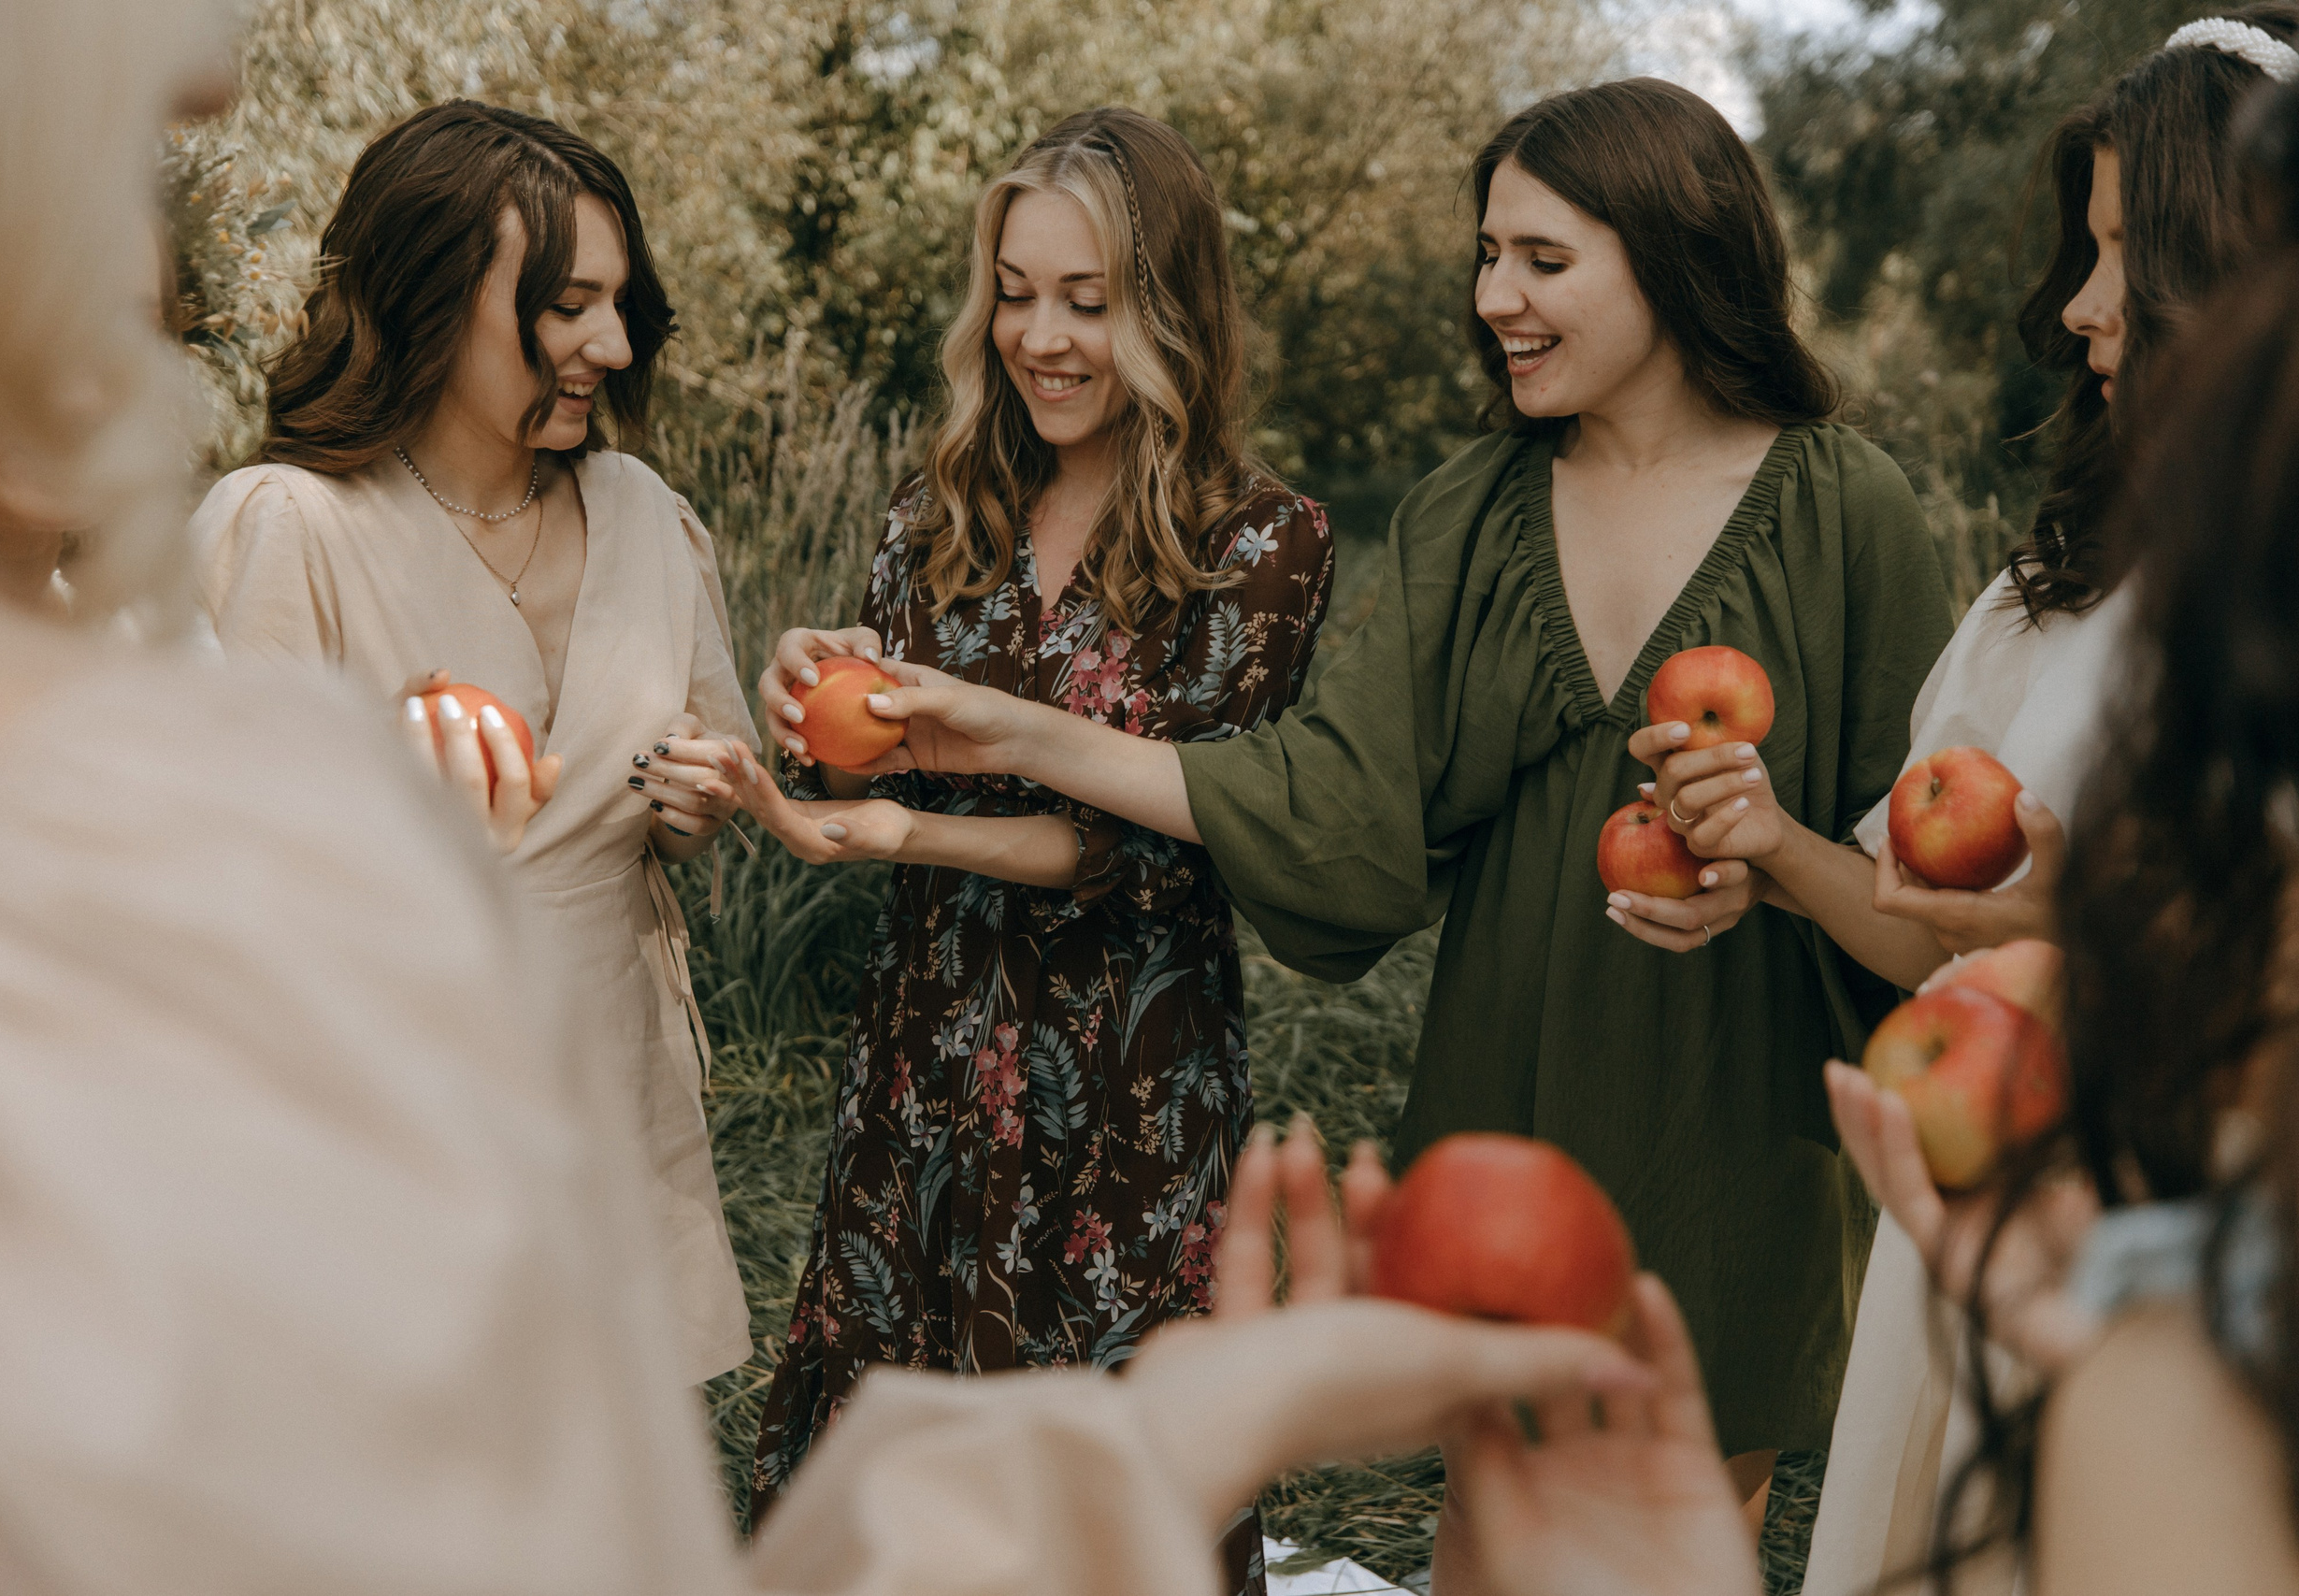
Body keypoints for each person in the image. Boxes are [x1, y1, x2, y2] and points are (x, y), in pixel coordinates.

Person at [0, 3, 1676, 1590]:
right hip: (858, 1063)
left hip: (1068, 1059)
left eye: (1089, 296)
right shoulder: (269, 582)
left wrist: (777, 789)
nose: (605, 338)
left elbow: (1137, 834)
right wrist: (827, 765)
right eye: (1018, 291)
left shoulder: (1227, 537)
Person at [815, 78, 1954, 1548]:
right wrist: (1017, 728)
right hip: (1498, 1123)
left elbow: (1929, 914)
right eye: (1489, 257)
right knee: (1492, 1548)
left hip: (1727, 1129)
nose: (1497, 299)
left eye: (1544, 260)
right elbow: (1319, 803)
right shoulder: (1469, 510)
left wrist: (1779, 859)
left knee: (1676, 1553)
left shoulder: (1845, 510)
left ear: (1678, 258)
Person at [1643, 15, 2299, 1590]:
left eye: (2127, 254)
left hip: (2214, 1258)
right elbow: (1926, 934)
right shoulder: (2048, 591)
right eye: (2085, 249)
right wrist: (1772, 843)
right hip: (1997, 1192)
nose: (2079, 306)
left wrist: (2095, 933)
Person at [735, 107, 1337, 1579]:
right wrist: (811, 692)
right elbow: (874, 739)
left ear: (1170, 311)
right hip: (927, 1051)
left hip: (1127, 1080)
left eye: (1090, 298)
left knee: (1114, 1495)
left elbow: (1175, 847)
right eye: (1015, 291)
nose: (1041, 337)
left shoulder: (1263, 546)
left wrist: (904, 835)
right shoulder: (939, 510)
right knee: (903, 1462)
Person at [194, 102, 758, 1384]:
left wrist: (699, 800)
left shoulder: (641, 514)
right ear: (433, 296)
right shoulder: (288, 528)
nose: (611, 343)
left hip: (618, 1115)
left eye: (621, 303)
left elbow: (713, 760)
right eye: (567, 304)